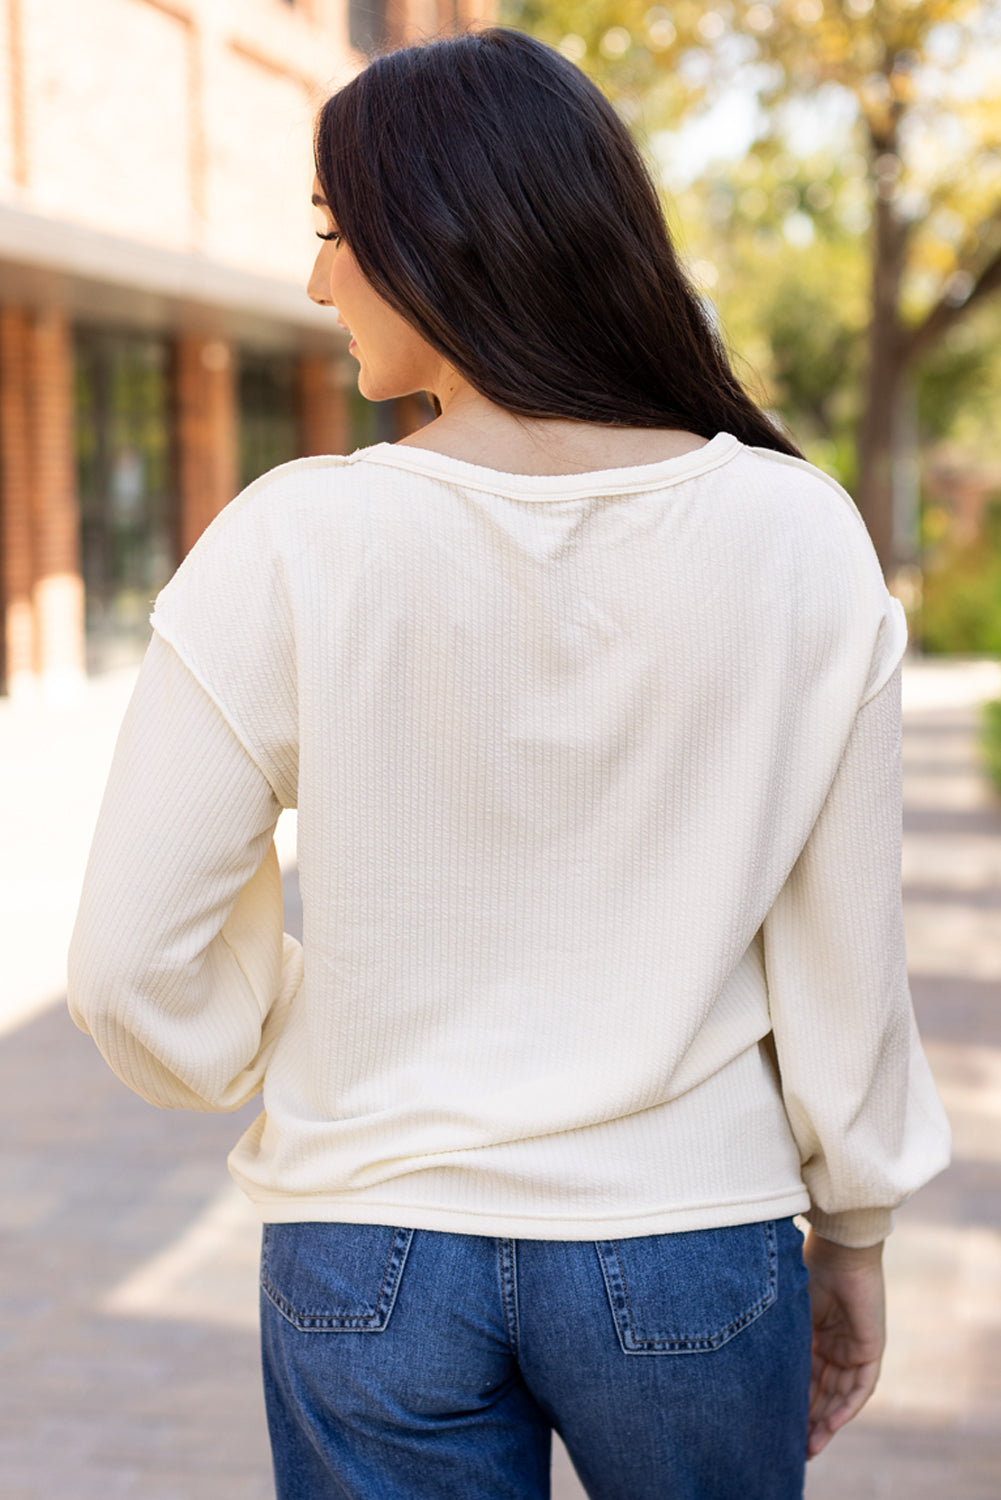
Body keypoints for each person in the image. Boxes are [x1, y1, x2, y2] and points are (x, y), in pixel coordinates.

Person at [68, 27, 950, 1500]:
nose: (314, 279)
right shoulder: (797, 532)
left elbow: (121, 964)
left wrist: (299, 1031)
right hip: (688, 1241)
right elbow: (844, 952)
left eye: (335, 235)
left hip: (365, 1245)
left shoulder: (293, 538)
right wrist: (851, 1233)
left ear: (445, 240)